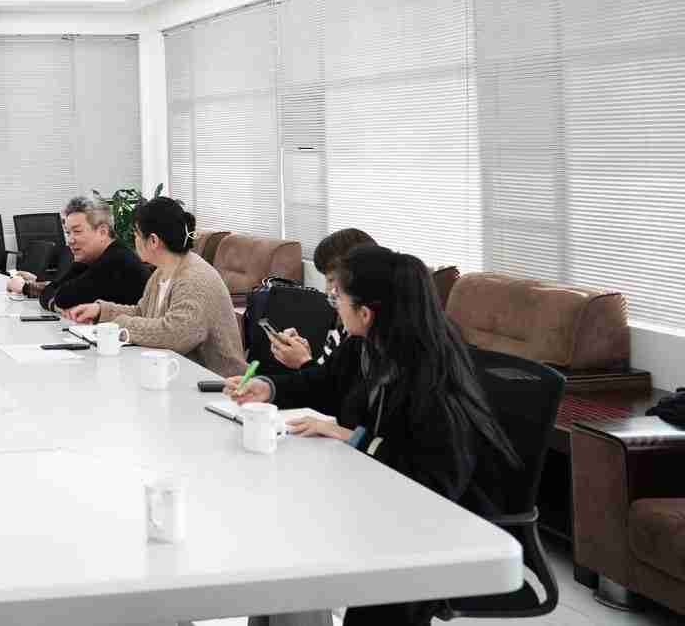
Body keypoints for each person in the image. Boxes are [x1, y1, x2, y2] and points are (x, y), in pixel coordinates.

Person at [226, 244, 520, 626]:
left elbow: (434, 480)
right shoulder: (366, 345)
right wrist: (268, 388)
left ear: (365, 313)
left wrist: (351, 437)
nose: (334, 306)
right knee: (283, 541)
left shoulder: (432, 376)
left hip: (431, 531)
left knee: (295, 551)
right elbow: (326, 383)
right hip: (376, 502)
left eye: (338, 297)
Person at [59, 197, 246, 377]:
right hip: (180, 374)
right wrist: (101, 311)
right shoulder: (162, 272)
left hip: (218, 384)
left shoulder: (195, 278)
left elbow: (175, 335)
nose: (134, 241)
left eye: (136, 235)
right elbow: (143, 312)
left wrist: (119, 325)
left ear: (153, 241)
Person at [6, 195, 148, 310]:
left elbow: (62, 298)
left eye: (77, 231)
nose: (70, 241)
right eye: (68, 233)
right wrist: (45, 290)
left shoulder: (116, 260)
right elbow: (59, 288)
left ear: (103, 232)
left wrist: (34, 291)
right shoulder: (91, 258)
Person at [263, 227, 374, 371]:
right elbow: (326, 374)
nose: (328, 291)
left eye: (331, 280)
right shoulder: (344, 328)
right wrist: (305, 356)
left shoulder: (365, 338)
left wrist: (303, 362)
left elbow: (337, 384)